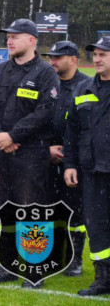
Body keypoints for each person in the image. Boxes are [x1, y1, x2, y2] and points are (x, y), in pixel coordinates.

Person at [0, 19, 60, 286]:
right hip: (0, 150)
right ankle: (7, 265)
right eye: (8, 37)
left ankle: (34, 269)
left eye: (16, 36)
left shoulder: (46, 73)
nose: (9, 41)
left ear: (32, 40)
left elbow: (46, 111)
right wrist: (0, 135)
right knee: (2, 207)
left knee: (31, 208)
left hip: (31, 152)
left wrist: (14, 135)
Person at [64, 36, 110, 296]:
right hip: (92, 171)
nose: (97, 58)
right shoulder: (83, 89)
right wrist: (70, 163)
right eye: (95, 53)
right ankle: (103, 278)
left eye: (104, 54)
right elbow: (72, 131)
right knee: (97, 226)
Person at [43, 40, 88, 277]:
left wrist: (71, 154)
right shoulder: (47, 84)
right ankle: (51, 255)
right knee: (47, 208)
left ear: (73, 60)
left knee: (75, 211)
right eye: (51, 57)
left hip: (75, 160)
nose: (52, 62)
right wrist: (46, 149)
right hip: (44, 156)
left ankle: (74, 259)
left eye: (58, 57)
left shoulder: (86, 86)